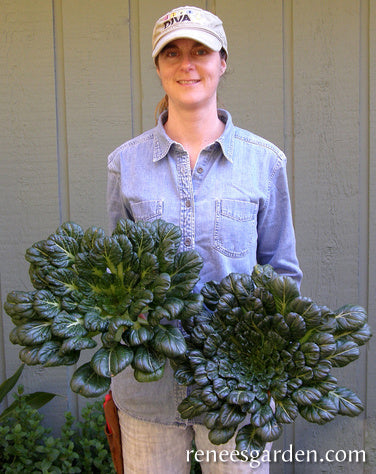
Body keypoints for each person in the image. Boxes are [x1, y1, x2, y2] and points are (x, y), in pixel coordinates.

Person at [107, 5, 302, 473]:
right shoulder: (125, 164)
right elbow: (114, 272)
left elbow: (283, 273)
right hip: (149, 385)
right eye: (171, 53)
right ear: (158, 67)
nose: (186, 64)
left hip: (236, 389)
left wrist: (268, 360)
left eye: (200, 51)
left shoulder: (264, 163)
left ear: (222, 62)